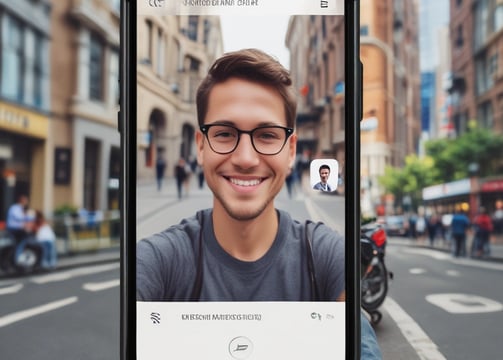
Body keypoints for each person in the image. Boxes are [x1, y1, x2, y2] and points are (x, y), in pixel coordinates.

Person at [137, 49, 381, 357]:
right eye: (225, 133)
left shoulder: (324, 255)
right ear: (201, 146)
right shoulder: (159, 260)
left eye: (266, 135)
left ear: (290, 150)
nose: (245, 159)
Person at [6, 195, 32, 262]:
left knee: (18, 242)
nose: (27, 203)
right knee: (24, 238)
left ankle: (17, 254)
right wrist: (27, 215)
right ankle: (18, 257)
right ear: (22, 201)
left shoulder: (19, 208)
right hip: (14, 229)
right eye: (26, 201)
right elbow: (19, 217)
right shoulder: (16, 208)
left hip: (15, 229)